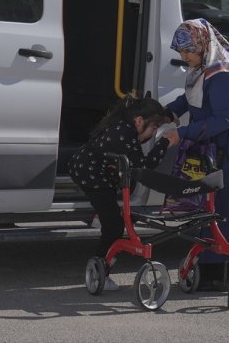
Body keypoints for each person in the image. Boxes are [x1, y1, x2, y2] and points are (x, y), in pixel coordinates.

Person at [164, 18, 229, 288]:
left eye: (188, 52)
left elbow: (224, 118)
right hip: (218, 141)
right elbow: (192, 98)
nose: (184, 58)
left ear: (202, 45)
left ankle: (224, 269)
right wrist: (170, 112)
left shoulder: (222, 72)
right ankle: (214, 268)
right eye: (181, 53)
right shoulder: (205, 65)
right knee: (215, 204)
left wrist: (182, 133)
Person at [68, 96, 179, 290]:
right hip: (93, 176)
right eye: (153, 128)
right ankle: (101, 268)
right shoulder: (125, 134)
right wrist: (165, 143)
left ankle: (102, 217)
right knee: (114, 227)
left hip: (93, 170)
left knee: (117, 208)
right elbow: (143, 167)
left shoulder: (123, 126)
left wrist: (168, 118)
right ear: (139, 121)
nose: (153, 134)